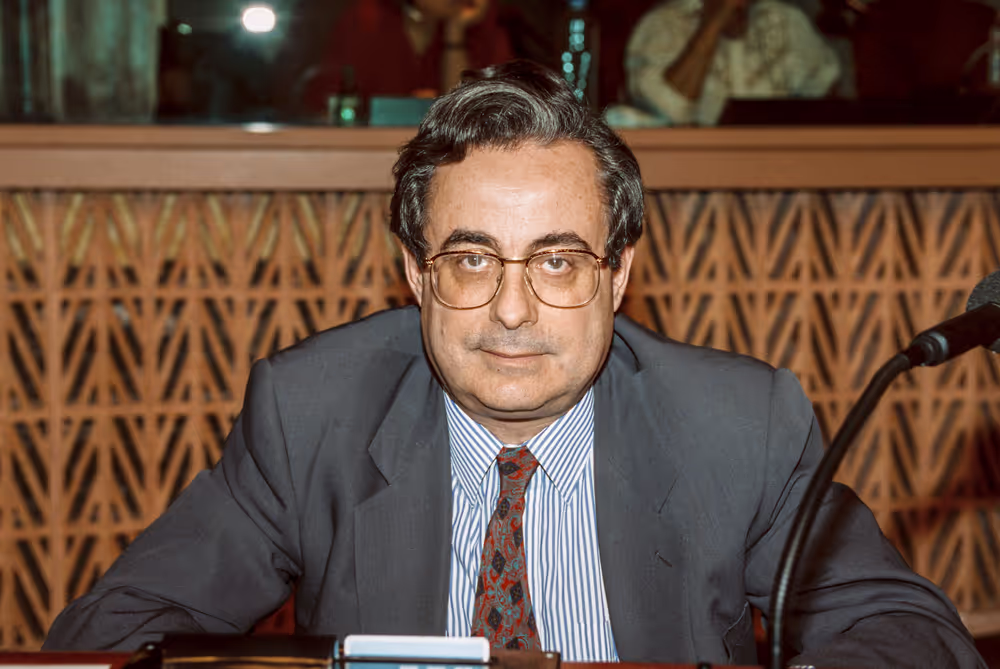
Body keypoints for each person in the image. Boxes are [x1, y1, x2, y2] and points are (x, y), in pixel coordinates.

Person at [44, 61, 983, 667]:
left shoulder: (740, 424)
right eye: (471, 257)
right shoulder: (311, 411)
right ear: (416, 271)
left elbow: (909, 637)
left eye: (560, 259)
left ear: (621, 275)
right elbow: (112, 634)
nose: (512, 307)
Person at [624, 0, 841, 126]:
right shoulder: (664, 23)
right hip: (699, 174)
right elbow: (669, 109)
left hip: (781, 172)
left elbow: (829, 99)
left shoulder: (785, 20)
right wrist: (715, 22)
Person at [301, 0, 512, 115]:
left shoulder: (481, 26)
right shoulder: (367, 18)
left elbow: (469, 113)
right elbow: (333, 107)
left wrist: (455, 35)